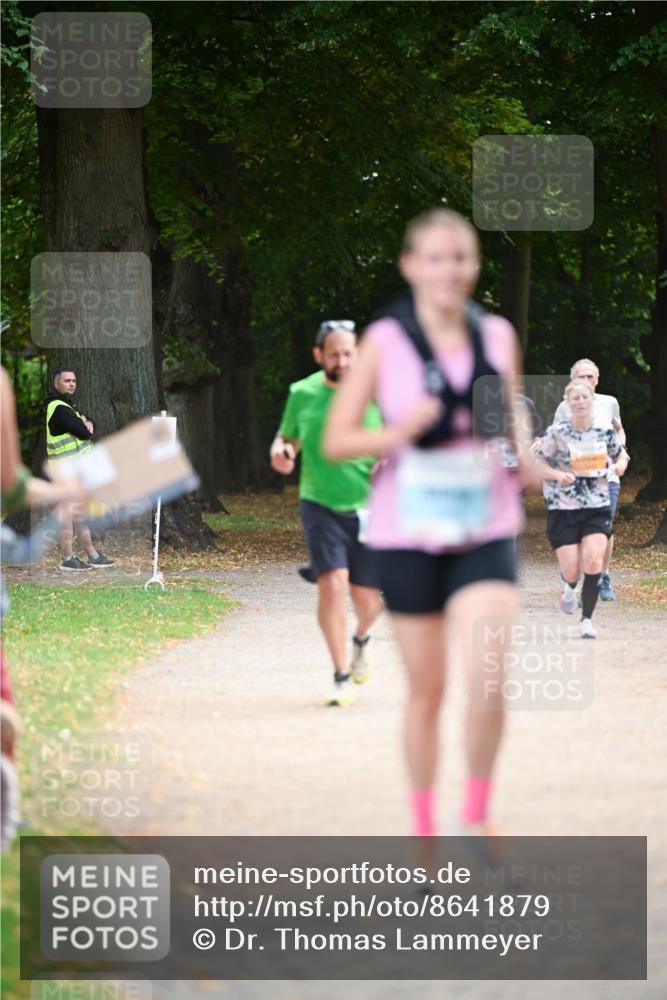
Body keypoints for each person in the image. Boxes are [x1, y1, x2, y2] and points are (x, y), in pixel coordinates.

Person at [324, 209, 529, 838]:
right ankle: (423, 826)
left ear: (474, 266)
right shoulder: (384, 341)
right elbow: (338, 438)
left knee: (488, 678)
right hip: (406, 531)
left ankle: (477, 810)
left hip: (485, 525)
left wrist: (528, 460)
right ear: (411, 265)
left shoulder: (496, 335)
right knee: (429, 691)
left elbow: (508, 423)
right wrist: (398, 430)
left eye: (461, 257)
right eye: (435, 258)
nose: (449, 269)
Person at [270, 321, 384, 707]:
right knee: (333, 584)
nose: (343, 361)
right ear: (320, 355)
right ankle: (339, 676)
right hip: (319, 503)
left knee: (370, 603)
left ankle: (361, 638)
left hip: (369, 507)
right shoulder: (302, 393)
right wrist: (282, 453)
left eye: (349, 353)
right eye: (335, 354)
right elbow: (287, 438)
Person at [533, 378, 627, 639]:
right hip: (564, 507)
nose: (581, 402)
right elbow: (538, 465)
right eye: (575, 399)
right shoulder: (558, 433)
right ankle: (569, 587)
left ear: (592, 401)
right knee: (572, 569)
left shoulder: (603, 431)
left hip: (596, 504)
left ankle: (587, 620)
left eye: (585, 398)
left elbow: (620, 454)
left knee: (594, 560)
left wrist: (620, 465)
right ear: (568, 403)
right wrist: (556, 475)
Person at [552, 358, 627, 601]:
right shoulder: (564, 407)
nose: (586, 381)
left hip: (607, 477)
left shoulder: (610, 402)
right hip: (576, 480)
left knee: (603, 527)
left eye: (590, 377)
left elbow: (619, 430)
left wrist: (619, 451)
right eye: (580, 377)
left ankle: (602, 577)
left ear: (597, 379)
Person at [45, 369, 114, 571]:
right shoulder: (58, 408)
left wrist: (87, 421)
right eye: (67, 381)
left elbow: (86, 421)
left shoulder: (68, 405)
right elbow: (84, 434)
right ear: (56, 384)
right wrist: (85, 424)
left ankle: (91, 554)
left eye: (74, 380)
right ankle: (67, 558)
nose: (72, 384)